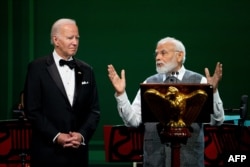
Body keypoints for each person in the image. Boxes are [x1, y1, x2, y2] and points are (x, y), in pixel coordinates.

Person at [107, 37, 224, 167]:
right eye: (156, 54)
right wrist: (121, 94)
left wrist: (213, 91)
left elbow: (217, 120)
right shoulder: (149, 83)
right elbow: (133, 121)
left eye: (163, 53)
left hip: (189, 160)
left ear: (179, 56)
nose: (157, 57)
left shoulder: (200, 82)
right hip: (155, 160)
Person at [24, 18, 100, 167]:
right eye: (70, 38)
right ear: (56, 40)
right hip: (47, 154)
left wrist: (81, 135)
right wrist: (56, 136)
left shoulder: (87, 70)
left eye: (77, 38)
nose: (75, 42)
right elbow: (32, 110)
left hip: (78, 155)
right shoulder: (36, 68)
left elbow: (94, 111)